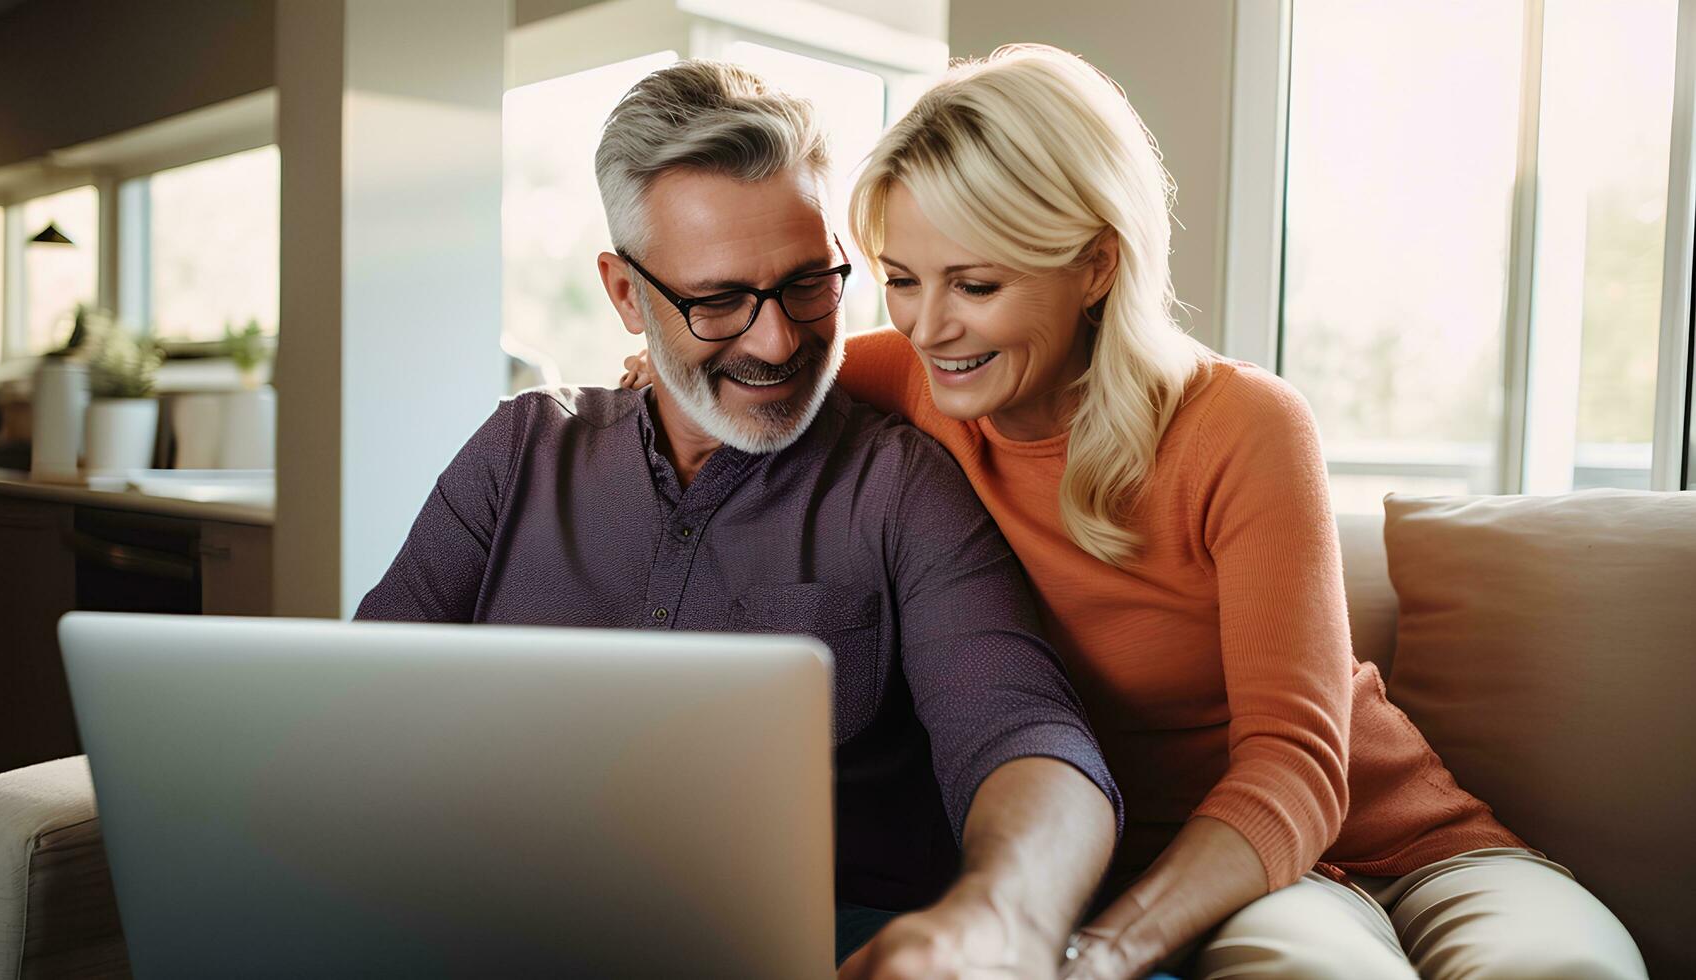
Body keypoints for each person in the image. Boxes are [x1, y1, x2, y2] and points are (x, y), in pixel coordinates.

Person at [620, 43, 1648, 980]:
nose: (930, 326)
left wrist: (1105, 950)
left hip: (1404, 842)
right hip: (1225, 884)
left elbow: (1295, 765)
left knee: (1563, 969)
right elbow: (740, 369)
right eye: (901, 279)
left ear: (1096, 264)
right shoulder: (903, 380)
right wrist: (652, 371)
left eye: (976, 284)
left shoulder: (1239, 423)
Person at [357, 60, 1123, 977]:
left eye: (809, 284)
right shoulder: (519, 453)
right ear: (625, 295)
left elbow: (1024, 736)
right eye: (718, 301)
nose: (777, 341)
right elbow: (359, 710)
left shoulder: (900, 487)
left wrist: (1003, 911)